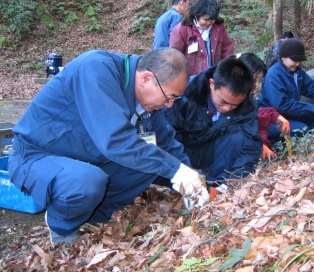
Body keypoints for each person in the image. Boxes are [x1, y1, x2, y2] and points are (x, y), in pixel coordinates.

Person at [8, 48, 209, 245]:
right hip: (36, 156)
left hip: (88, 158)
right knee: (86, 181)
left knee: (151, 162)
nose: (169, 105)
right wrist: (175, 170)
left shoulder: (146, 99)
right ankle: (62, 226)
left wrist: (192, 180)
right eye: (169, 96)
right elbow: (115, 140)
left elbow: (165, 144)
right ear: (147, 79)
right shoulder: (95, 69)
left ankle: (92, 216)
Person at [164, 56, 262, 198]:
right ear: (212, 83)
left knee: (238, 137)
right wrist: (183, 172)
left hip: (211, 152)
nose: (227, 108)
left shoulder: (248, 107)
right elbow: (166, 137)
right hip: (181, 152)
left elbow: (250, 148)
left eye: (234, 105)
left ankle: (215, 185)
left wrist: (233, 180)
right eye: (222, 101)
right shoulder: (185, 94)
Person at [257, 39, 314, 143]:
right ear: (283, 57)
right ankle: (275, 146)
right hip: (271, 119)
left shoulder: (298, 73)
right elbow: (281, 105)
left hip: (287, 114)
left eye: (300, 60)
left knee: (311, 117)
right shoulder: (273, 75)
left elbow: (313, 88)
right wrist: (311, 107)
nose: (298, 63)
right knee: (300, 129)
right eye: (295, 60)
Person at [238, 53, 290, 160]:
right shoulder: (229, 98)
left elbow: (257, 122)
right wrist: (257, 146)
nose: (256, 84)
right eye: (255, 79)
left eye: (259, 80)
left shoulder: (249, 98)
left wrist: (275, 116)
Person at [169, 0, 234, 77]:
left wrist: (226, 69)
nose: (209, 22)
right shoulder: (181, 29)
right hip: (192, 78)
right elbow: (175, 55)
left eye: (212, 19)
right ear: (196, 16)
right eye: (205, 20)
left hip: (214, 76)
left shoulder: (218, 28)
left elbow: (227, 49)